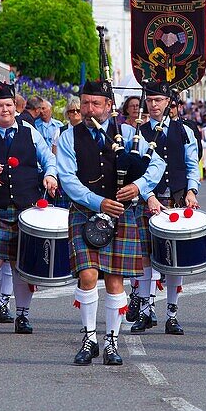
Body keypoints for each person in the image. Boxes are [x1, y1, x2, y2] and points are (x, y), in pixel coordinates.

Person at [58, 79, 165, 366]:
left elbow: (158, 164)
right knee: (89, 275)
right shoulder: (70, 136)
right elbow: (67, 178)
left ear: (109, 106)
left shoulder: (130, 133)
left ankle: (111, 343)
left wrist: (140, 187)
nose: (89, 109)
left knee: (116, 280)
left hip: (122, 214)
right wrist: (98, 201)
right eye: (84, 103)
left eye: (95, 104)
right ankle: (89, 337)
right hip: (85, 211)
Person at [0, 82, 58, 334]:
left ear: (14, 106)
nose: (5, 110)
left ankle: (22, 314)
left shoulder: (30, 131)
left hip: (26, 208)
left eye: (9, 105)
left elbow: (48, 158)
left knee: (21, 266)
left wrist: (51, 175)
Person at [132, 81, 201, 335]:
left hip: (178, 198)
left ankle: (172, 314)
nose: (153, 105)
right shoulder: (138, 133)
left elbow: (192, 165)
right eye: (150, 101)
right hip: (147, 200)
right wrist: (148, 195)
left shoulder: (184, 131)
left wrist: (192, 191)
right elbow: (136, 170)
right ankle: (146, 310)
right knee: (145, 257)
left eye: (158, 100)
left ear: (169, 103)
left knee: (175, 259)